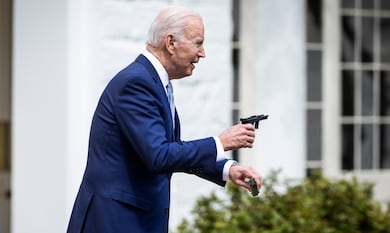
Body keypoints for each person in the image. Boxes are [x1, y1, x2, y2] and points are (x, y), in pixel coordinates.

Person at [67, 5, 262, 233]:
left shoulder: (154, 82)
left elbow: (171, 151)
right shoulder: (136, 83)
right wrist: (220, 143)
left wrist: (227, 170)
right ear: (170, 43)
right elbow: (159, 156)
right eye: (198, 43)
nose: (203, 53)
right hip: (114, 221)